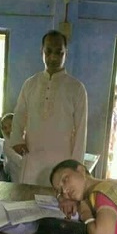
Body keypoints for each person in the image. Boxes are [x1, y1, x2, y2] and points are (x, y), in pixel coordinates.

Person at [10, 30, 88, 186]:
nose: (53, 57)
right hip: (33, 157)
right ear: (41, 51)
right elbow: (19, 115)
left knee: (57, 205)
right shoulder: (30, 84)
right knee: (28, 203)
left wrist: (75, 166)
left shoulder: (76, 88)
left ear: (66, 53)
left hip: (62, 162)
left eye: (59, 52)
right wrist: (17, 139)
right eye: (48, 51)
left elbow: (81, 130)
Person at [0, 113, 22, 183]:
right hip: (15, 173)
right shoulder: (6, 144)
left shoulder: (24, 138)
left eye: (10, 126)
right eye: (5, 128)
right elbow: (17, 159)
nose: (8, 130)